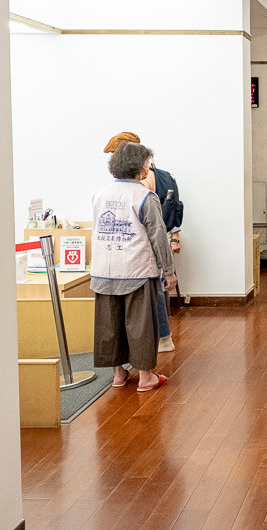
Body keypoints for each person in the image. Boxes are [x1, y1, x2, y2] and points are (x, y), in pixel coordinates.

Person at [91, 142, 176, 393]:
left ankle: (118, 375)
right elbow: (158, 236)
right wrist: (168, 271)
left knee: (109, 324)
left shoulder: (99, 194)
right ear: (140, 168)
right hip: (137, 270)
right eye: (147, 165)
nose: (148, 170)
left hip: (104, 270)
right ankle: (146, 377)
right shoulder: (145, 197)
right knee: (140, 324)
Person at [103, 131, 182, 353]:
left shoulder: (142, 182)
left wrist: (169, 269)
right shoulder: (154, 175)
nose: (111, 158)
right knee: (154, 291)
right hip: (149, 245)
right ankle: (162, 339)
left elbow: (149, 223)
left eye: (113, 153)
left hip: (143, 248)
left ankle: (161, 339)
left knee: (153, 292)